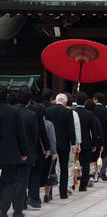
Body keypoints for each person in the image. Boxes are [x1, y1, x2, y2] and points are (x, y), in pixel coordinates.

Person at [0, 84, 28, 217]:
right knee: (9, 181)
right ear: (7, 95)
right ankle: (3, 209)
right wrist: (24, 152)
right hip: (9, 152)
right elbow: (20, 134)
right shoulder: (14, 111)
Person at [13, 87, 38, 216]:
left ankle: (15, 204)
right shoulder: (31, 115)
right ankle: (19, 208)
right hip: (27, 151)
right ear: (29, 100)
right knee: (23, 181)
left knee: (12, 180)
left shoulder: (12, 112)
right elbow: (35, 136)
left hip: (11, 151)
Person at [46, 93, 76, 199]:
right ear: (65, 102)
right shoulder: (68, 111)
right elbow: (71, 129)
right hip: (64, 143)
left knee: (50, 168)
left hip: (51, 143)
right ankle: (63, 193)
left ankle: (48, 194)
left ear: (57, 100)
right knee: (64, 168)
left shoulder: (49, 110)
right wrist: (73, 144)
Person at [75, 92, 97, 191]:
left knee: (73, 163)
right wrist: (94, 144)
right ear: (85, 102)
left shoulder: (72, 112)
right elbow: (93, 131)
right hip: (86, 142)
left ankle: (71, 183)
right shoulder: (89, 114)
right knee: (86, 164)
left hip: (74, 142)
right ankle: (83, 185)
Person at [39, 104, 57, 203]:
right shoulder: (49, 124)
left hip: (37, 153)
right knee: (49, 173)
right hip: (48, 152)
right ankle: (46, 195)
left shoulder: (34, 122)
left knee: (37, 174)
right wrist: (54, 152)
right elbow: (52, 139)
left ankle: (33, 194)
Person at [93, 92, 107, 181]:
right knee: (104, 154)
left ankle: (95, 172)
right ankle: (102, 171)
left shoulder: (92, 110)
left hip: (94, 134)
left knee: (94, 153)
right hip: (105, 135)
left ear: (95, 99)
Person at [65, 92, 81, 195]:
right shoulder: (74, 114)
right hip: (72, 142)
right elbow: (77, 129)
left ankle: (60, 184)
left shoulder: (53, 111)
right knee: (70, 163)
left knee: (59, 165)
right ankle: (69, 184)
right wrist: (78, 142)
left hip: (59, 142)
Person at [84, 99, 104, 182]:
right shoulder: (95, 118)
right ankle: (94, 175)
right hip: (93, 142)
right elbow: (99, 132)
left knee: (84, 161)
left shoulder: (81, 116)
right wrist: (101, 144)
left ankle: (84, 176)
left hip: (84, 141)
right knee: (94, 160)